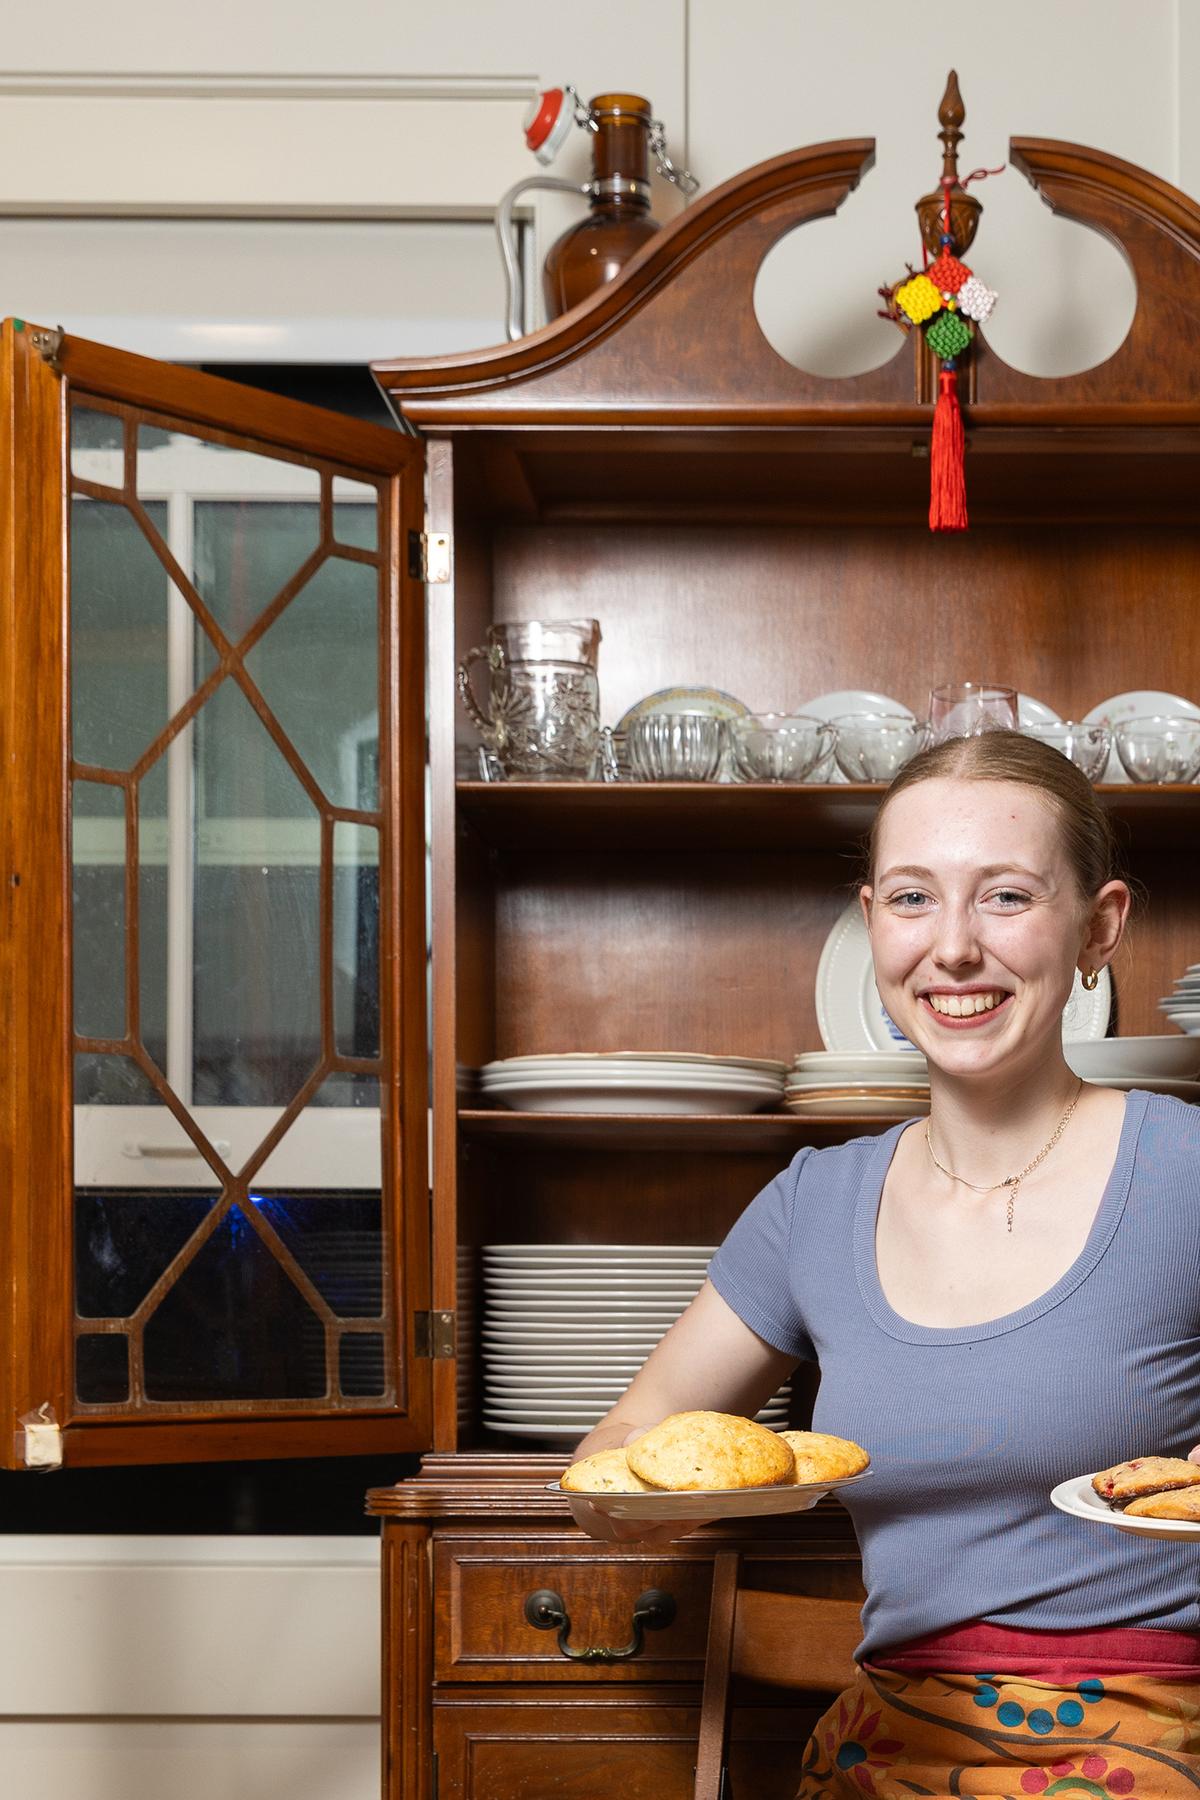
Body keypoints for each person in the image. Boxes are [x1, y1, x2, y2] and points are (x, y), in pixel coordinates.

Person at [569, 729, 1200, 1796]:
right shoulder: (815, 1207)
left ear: (1099, 928)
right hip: (887, 1745)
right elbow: (620, 1455)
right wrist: (646, 1496)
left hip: (1154, 1740)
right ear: (872, 928)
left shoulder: (1185, 1171)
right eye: (913, 899)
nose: (952, 948)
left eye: (1005, 897)